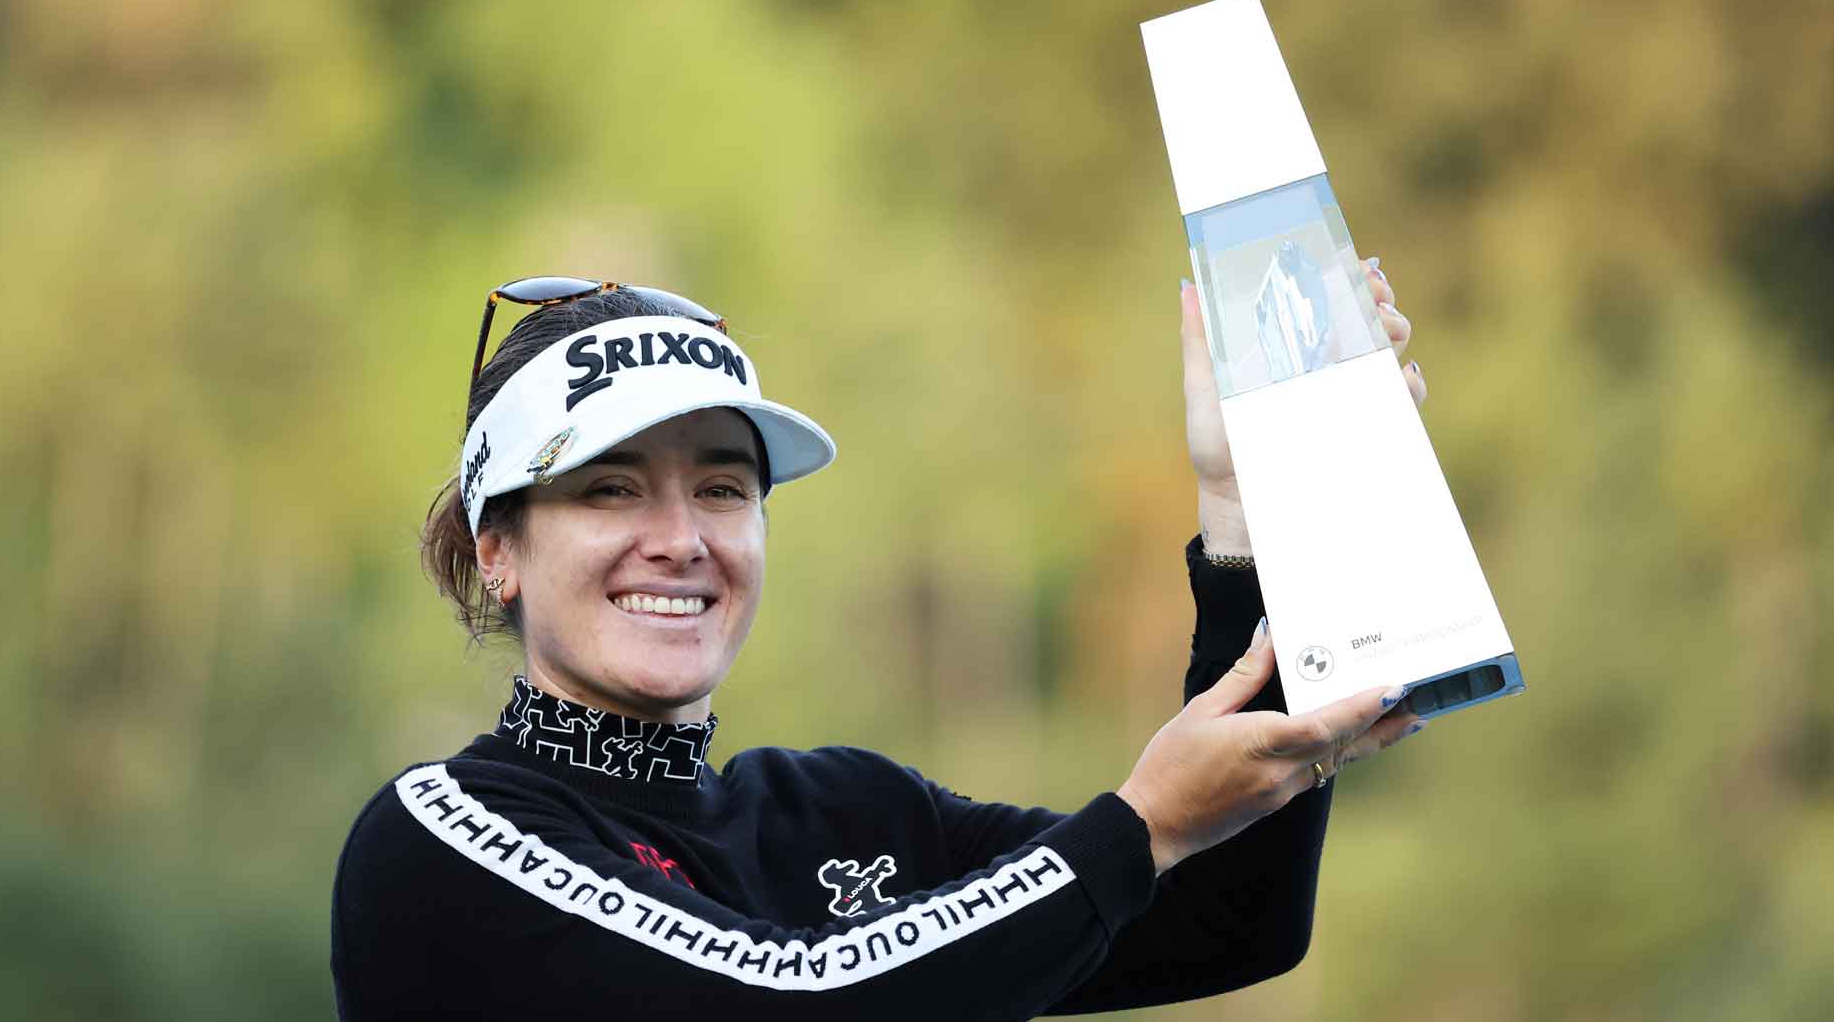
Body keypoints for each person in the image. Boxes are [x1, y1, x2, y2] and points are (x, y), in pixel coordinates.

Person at [329, 263, 1428, 1019]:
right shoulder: (439, 841)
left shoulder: (845, 812)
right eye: (609, 491)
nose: (678, 541)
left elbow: (1225, 919)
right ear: (498, 552)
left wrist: (1258, 516)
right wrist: (1136, 825)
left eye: (721, 488)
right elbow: (799, 1002)